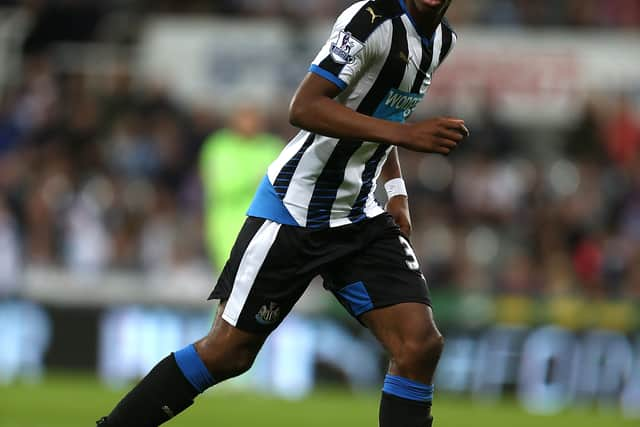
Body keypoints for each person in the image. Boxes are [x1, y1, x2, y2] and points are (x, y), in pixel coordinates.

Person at [97, 1, 468, 426]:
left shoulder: (441, 41)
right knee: (228, 353)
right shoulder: (369, 22)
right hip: (295, 210)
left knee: (419, 344)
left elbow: (384, 111)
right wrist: (405, 135)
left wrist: (397, 191)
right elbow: (304, 107)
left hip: (358, 214)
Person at [199, 107, 283, 271]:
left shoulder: (272, 145)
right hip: (227, 227)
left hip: (268, 226)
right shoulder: (218, 146)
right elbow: (220, 186)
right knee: (232, 281)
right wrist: (257, 179)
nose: (250, 124)